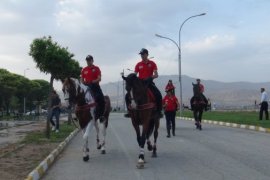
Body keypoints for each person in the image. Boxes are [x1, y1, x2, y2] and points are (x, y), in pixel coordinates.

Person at [125, 48, 163, 118]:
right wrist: (129, 79)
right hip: (140, 84)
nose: (142, 56)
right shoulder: (138, 64)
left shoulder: (152, 63)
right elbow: (135, 75)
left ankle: (159, 111)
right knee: (127, 96)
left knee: (158, 94)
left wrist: (150, 77)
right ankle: (129, 111)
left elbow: (156, 74)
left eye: (143, 54)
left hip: (149, 83)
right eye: (141, 54)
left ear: (147, 54)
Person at [81, 55, 105, 120]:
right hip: (87, 87)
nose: (88, 61)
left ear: (92, 60)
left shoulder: (96, 68)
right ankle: (79, 114)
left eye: (89, 60)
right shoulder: (84, 69)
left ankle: (101, 115)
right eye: (87, 60)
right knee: (79, 99)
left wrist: (94, 81)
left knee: (102, 100)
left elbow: (99, 78)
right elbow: (82, 79)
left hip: (95, 87)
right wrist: (84, 82)